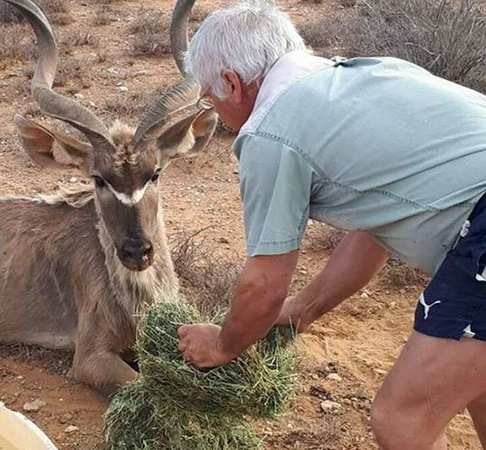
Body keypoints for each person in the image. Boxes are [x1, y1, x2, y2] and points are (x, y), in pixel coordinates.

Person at [175, 2, 486, 449]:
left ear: (231, 83)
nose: (217, 110)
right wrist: (303, 311)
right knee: (476, 381)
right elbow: (374, 231)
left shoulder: (271, 131)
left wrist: (223, 345)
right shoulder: (364, 74)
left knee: (402, 419)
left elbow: (263, 287)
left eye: (211, 97)